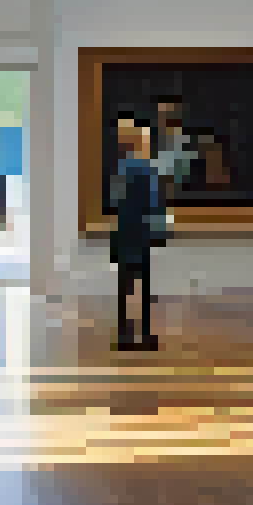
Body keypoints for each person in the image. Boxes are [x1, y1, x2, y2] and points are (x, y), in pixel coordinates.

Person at [109, 118, 167, 350]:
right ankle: (144, 333)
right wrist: (160, 231)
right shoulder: (147, 169)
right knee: (144, 286)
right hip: (141, 232)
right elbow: (154, 204)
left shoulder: (121, 169)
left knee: (125, 285)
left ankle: (124, 333)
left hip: (124, 231)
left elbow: (115, 201)